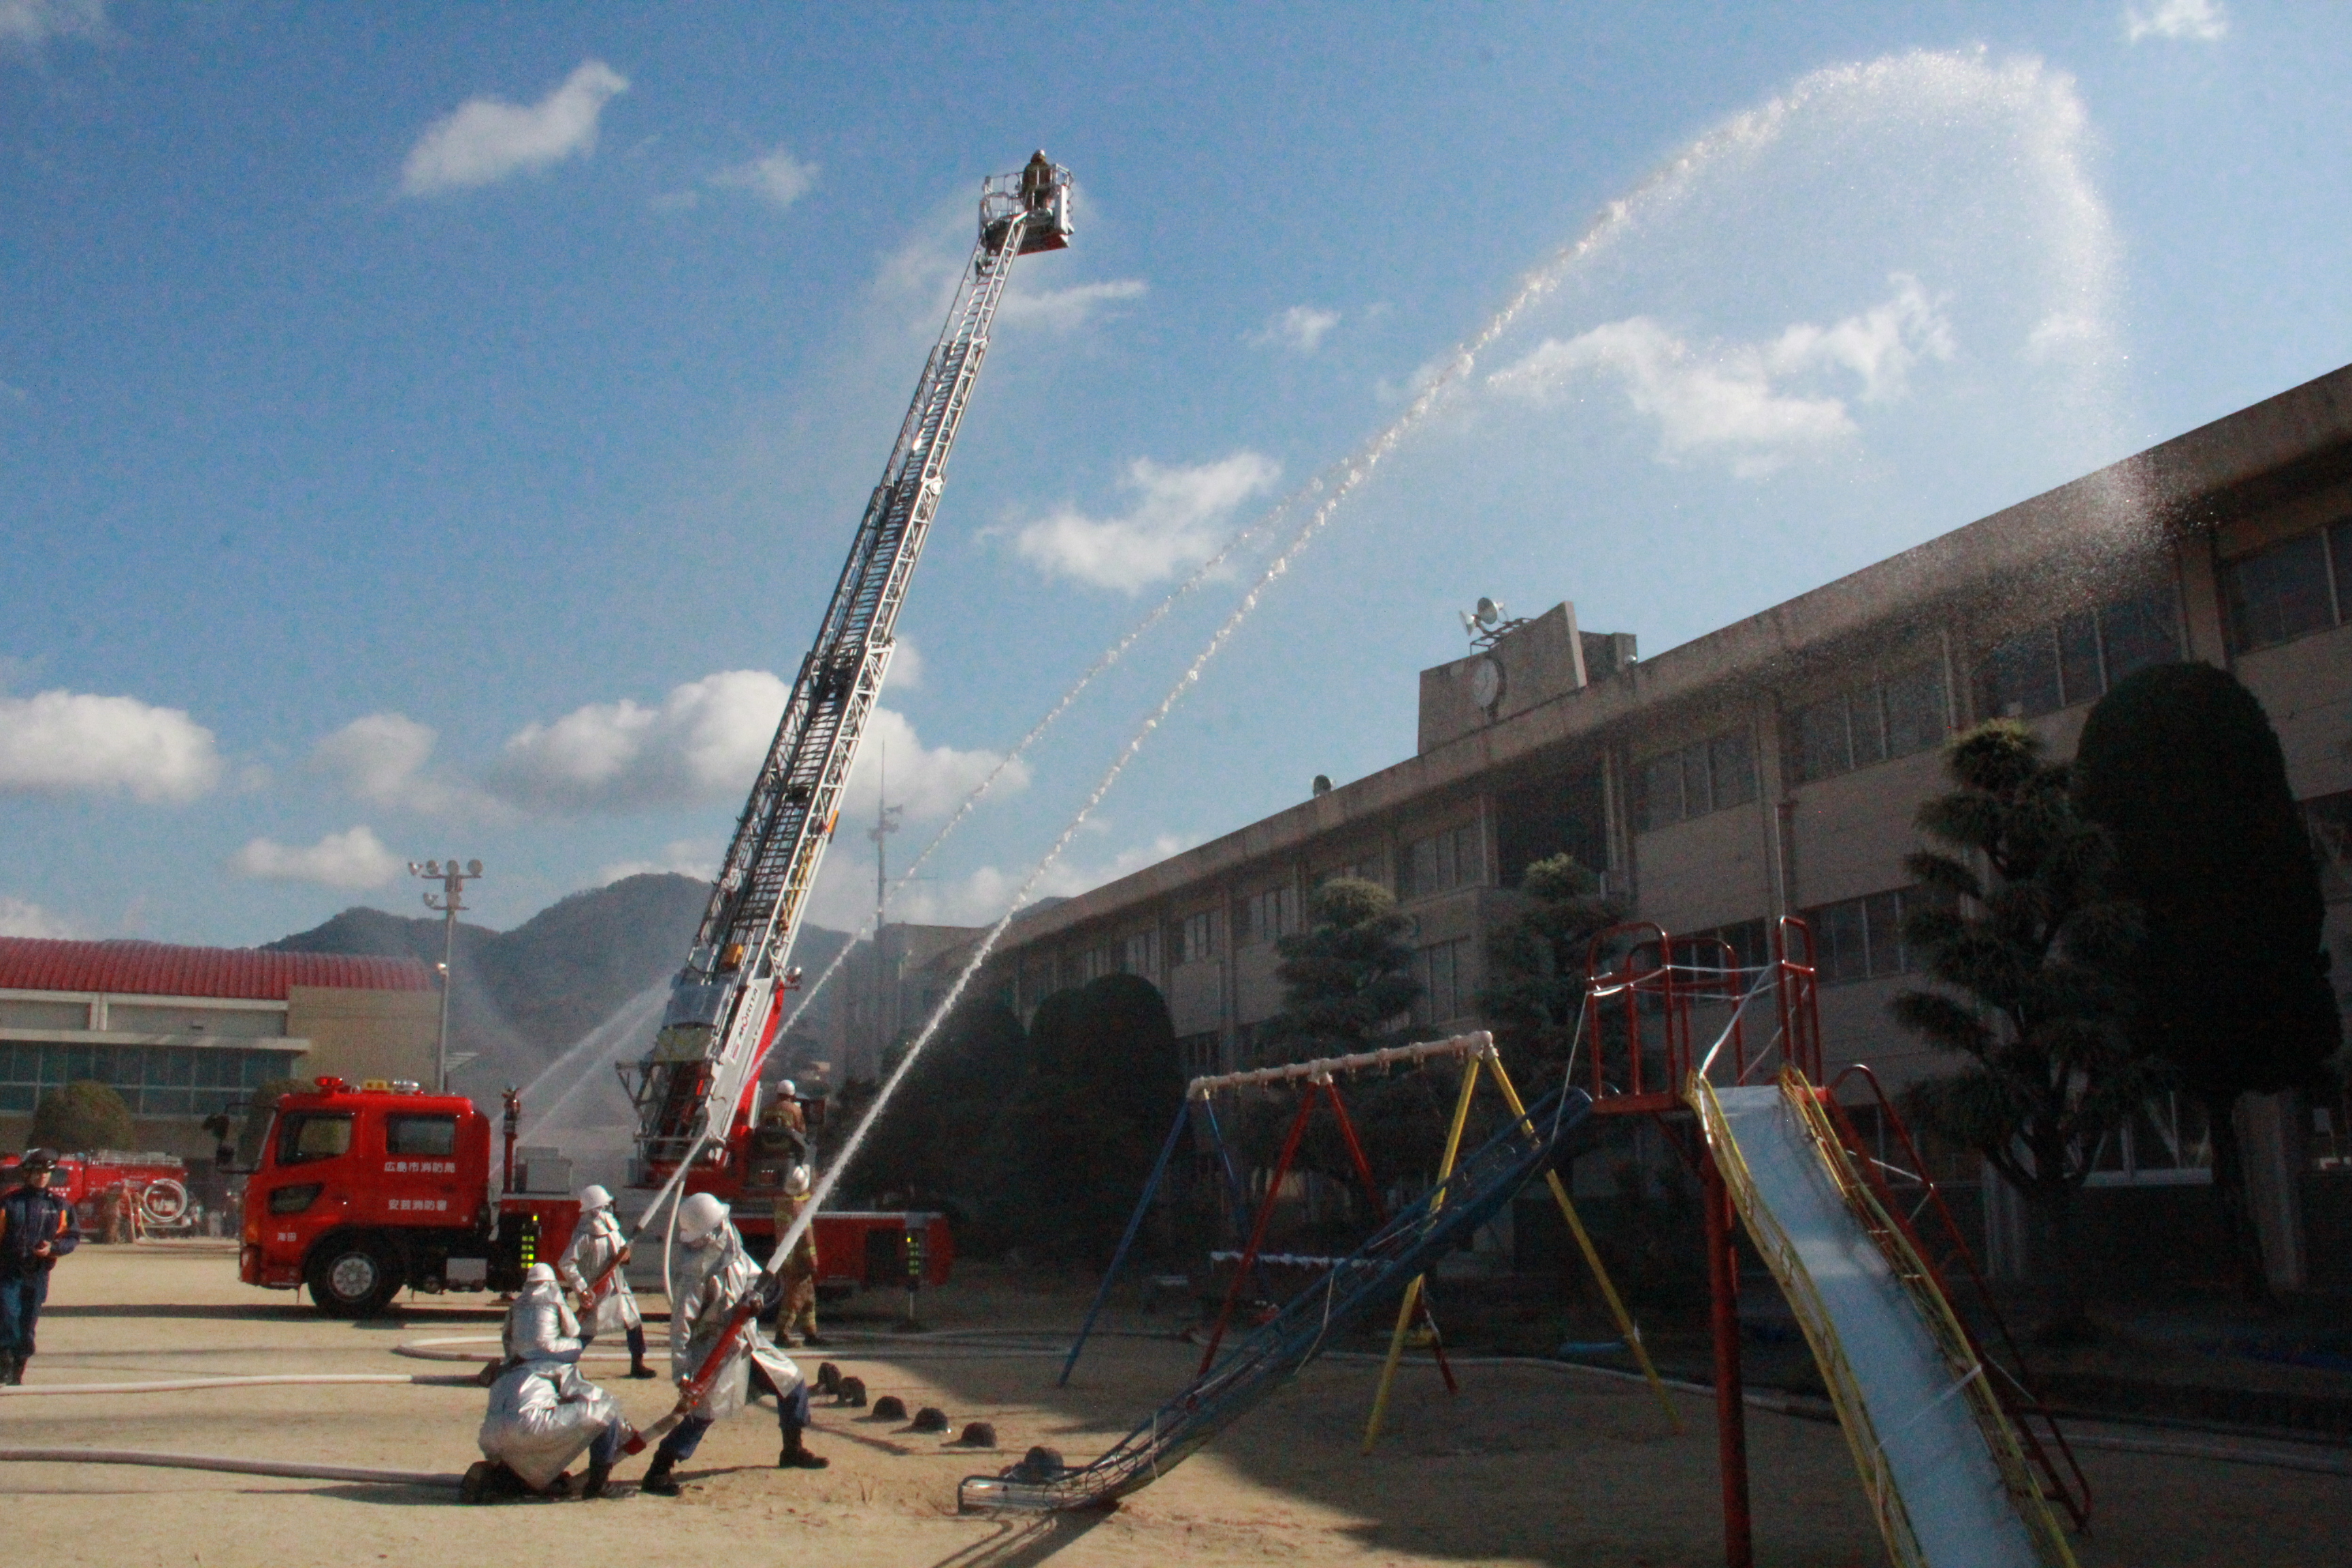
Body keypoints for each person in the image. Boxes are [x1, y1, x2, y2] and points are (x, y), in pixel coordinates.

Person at [640, 1192, 827, 1497]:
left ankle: (792, 1449)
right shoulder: (695, 1274)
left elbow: (756, 1279)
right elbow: (681, 1328)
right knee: (702, 1413)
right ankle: (659, 1470)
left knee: (791, 1382)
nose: (726, 1227)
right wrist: (682, 1373)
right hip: (716, 1348)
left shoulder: (732, 1249)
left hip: (749, 1338)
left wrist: (758, 1299)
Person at [468, 1277, 634, 1503]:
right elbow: (595, 1398)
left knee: (530, 1437)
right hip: (529, 1427)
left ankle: (509, 1480)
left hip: (491, 1440)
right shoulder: (555, 1365)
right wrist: (625, 1431)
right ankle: (598, 1485)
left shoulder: (505, 1371)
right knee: (607, 1411)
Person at [0, 1149, 81, 1386]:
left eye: (46, 1172)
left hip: (37, 1274)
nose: (42, 1176)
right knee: (7, 1317)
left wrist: (53, 1248)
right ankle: (4, 1362)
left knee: (27, 1325)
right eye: (36, 1172)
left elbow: (72, 1236)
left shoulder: (60, 1206)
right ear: (26, 1173)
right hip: (8, 1273)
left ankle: (18, 1369)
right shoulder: (9, 1203)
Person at [559, 1184, 653, 1378]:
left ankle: (638, 1363)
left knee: (634, 1322)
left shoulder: (611, 1227)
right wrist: (582, 1288)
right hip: (599, 1290)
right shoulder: (584, 1236)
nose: (609, 1208)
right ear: (597, 1209)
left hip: (618, 1286)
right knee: (588, 1330)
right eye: (605, 1205)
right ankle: (564, 1363)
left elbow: (621, 1252)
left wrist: (626, 1255)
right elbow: (566, 1264)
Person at [771, 1162, 823, 1348]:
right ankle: (782, 1335)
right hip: (798, 1261)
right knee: (795, 1299)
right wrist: (813, 1260)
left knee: (808, 1297)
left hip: (789, 1259)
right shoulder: (798, 1207)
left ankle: (811, 1333)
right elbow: (807, 1238)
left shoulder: (785, 1201)